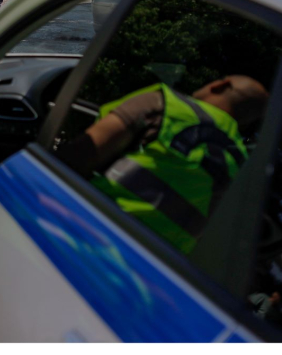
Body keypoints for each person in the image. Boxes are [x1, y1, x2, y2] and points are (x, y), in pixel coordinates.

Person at [56, 76, 269, 254]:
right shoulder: (240, 166)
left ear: (220, 85)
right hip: (152, 268)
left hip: (88, 231)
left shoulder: (166, 105)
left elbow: (81, 154)